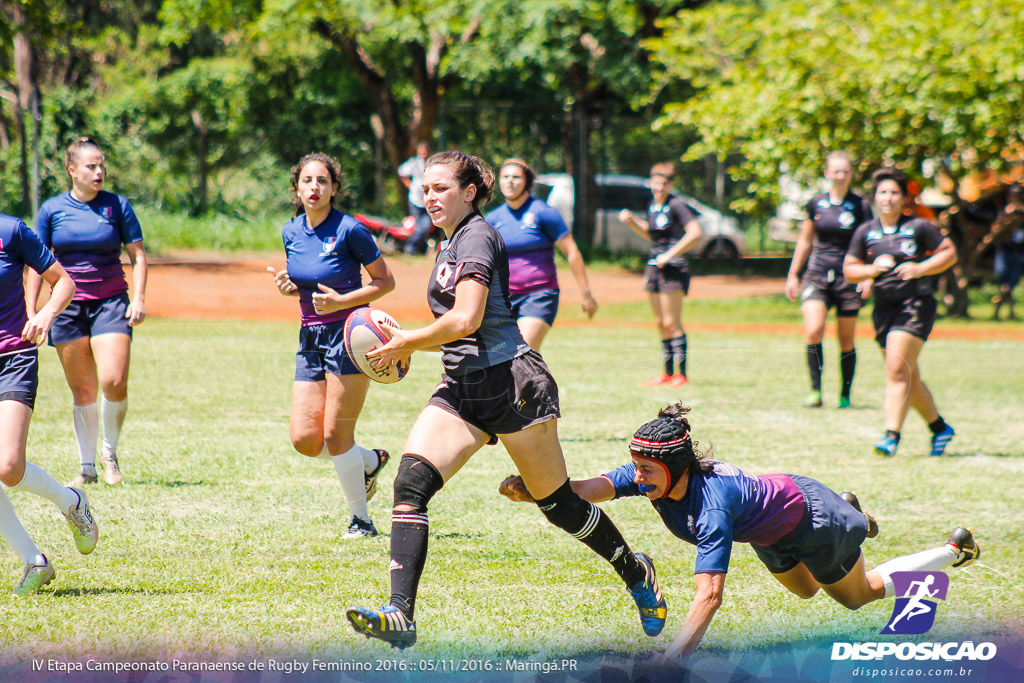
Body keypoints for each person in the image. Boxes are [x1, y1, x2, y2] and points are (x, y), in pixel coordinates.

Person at [346, 151, 665, 649]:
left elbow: (467, 319)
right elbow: (456, 332)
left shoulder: (477, 236)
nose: (429, 197)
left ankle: (634, 569)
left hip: (513, 385)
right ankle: (400, 614)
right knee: (410, 485)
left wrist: (407, 340)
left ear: (469, 191)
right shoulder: (448, 243)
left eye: (440, 188)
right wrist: (409, 344)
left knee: (558, 505)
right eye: (425, 189)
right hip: (462, 387)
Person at [499, 403, 982, 661]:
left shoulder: (711, 505)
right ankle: (853, 515)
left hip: (810, 521)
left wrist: (672, 661)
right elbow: (594, 487)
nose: (637, 476)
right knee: (807, 592)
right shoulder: (655, 477)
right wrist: (540, 491)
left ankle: (951, 548)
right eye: (636, 467)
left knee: (858, 597)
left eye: (645, 469)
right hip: (772, 532)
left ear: (676, 466)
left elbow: (709, 597)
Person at [267, 152, 395, 539]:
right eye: (307, 181)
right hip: (310, 338)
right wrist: (289, 288)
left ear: (334, 188)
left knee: (338, 436)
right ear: (296, 189)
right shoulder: (291, 232)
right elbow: (306, 288)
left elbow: (384, 282)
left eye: (322, 181)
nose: (314, 188)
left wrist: (342, 301)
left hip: (350, 337)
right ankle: (369, 461)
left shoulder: (351, 229)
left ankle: (362, 520)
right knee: (305, 439)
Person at [26, 137, 148, 487]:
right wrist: (33, 309)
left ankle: (110, 453)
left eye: (101, 165)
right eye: (91, 166)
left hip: (111, 301)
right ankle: (87, 467)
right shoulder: (52, 210)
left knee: (113, 380)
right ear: (72, 170)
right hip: (66, 307)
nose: (99, 172)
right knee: (83, 390)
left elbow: (138, 256)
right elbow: (36, 264)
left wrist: (138, 298)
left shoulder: (117, 205)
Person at [1, 212, 99, 595]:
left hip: (12, 358)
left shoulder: (11, 231)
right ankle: (34, 561)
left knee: (8, 466)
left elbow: (64, 283)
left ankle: (71, 501)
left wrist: (45, 313)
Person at [844, 168, 958, 458]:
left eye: (895, 192)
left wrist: (920, 268)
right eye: (883, 192)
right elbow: (849, 270)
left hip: (915, 304)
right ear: (875, 196)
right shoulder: (865, 231)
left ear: (905, 197)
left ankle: (891, 435)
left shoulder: (919, 227)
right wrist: (872, 269)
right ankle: (939, 428)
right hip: (884, 308)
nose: (888, 198)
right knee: (907, 375)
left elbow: (949, 253)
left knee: (897, 371)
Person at [785, 152, 874, 408]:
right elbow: (805, 240)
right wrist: (793, 274)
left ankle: (845, 395)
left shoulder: (861, 205)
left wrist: (867, 276)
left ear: (851, 174)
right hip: (817, 274)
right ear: (827, 173)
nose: (840, 176)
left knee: (846, 339)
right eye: (836, 171)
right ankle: (815, 392)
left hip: (849, 277)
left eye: (845, 171)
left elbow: (869, 243)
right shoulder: (816, 203)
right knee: (813, 331)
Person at [484, 158, 598, 349]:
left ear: (527, 182)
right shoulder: (493, 218)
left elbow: (571, 252)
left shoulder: (544, 213)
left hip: (539, 294)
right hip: (503, 297)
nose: (510, 181)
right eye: (505, 177)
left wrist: (586, 294)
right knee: (498, 357)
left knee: (522, 350)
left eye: (516, 177)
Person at [619, 163, 702, 388]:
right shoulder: (653, 206)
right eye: (656, 182)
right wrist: (632, 221)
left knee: (671, 321)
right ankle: (666, 374)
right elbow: (652, 234)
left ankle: (681, 374)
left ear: (670, 184)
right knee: (659, 322)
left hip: (673, 267)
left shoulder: (677, 205)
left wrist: (670, 254)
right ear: (651, 183)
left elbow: (695, 232)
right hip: (654, 266)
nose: (659, 187)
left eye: (664, 183)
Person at [990, 184, 1024, 320]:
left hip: (1018, 252)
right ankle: (1008, 311)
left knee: (1009, 284)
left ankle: (1001, 311)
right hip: (1004, 251)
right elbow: (996, 229)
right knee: (1005, 283)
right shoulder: (1005, 212)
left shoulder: (1020, 211)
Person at [398, 142, 432, 255]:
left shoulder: (431, 163)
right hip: (415, 200)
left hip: (428, 201)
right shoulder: (413, 163)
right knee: (418, 227)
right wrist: (409, 184)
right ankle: (410, 248)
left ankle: (419, 248)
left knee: (426, 227)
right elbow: (401, 172)